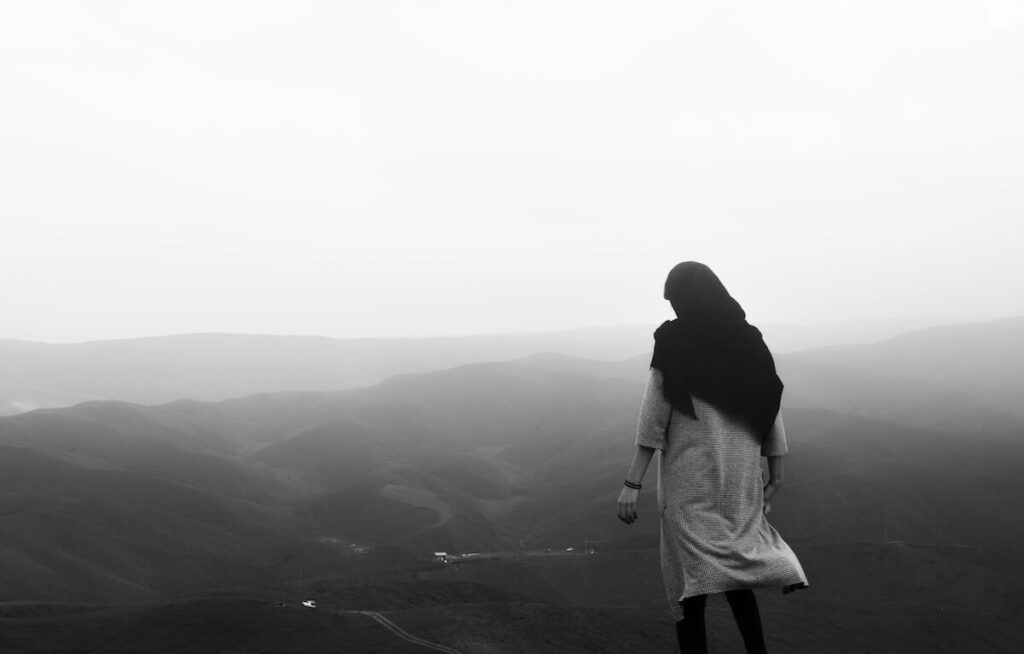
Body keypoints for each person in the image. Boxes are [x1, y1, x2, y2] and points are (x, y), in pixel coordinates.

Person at [617, 261, 807, 654]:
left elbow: (653, 417)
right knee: (736, 575)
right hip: (740, 483)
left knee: (691, 587)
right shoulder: (748, 340)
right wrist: (777, 470)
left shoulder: (673, 341)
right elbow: (769, 402)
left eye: (673, 300)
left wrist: (632, 484)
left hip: (688, 486)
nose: (672, 309)